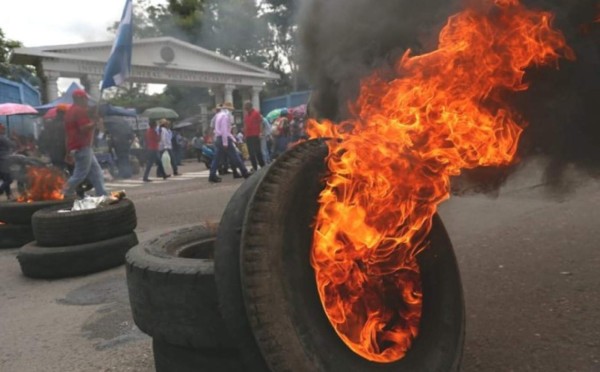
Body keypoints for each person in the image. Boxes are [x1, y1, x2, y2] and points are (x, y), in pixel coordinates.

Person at [62, 89, 107, 197]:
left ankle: (102, 195)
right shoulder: (79, 110)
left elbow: (68, 133)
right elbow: (83, 128)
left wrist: (68, 151)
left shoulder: (69, 111)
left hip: (79, 146)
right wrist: (94, 123)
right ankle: (62, 192)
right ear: (80, 98)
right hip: (82, 146)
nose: (86, 102)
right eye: (85, 99)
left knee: (97, 173)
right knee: (79, 175)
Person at [209, 102, 249, 183]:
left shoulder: (218, 115)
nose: (231, 112)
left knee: (216, 159)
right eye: (231, 110)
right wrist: (225, 143)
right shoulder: (225, 116)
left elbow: (225, 131)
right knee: (236, 157)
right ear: (228, 109)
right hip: (224, 139)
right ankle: (245, 172)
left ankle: (212, 175)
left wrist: (233, 139)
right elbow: (224, 131)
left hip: (218, 138)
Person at [243, 101, 265, 171]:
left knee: (258, 152)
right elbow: (246, 125)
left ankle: (262, 166)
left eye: (246, 106)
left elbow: (260, 123)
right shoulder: (246, 116)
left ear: (249, 106)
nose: (245, 108)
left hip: (255, 135)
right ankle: (254, 167)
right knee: (251, 153)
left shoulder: (256, 113)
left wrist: (261, 132)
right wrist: (245, 134)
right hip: (248, 136)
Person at [0, 123, 16, 200]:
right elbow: (12, 145)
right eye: (3, 129)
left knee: (5, 179)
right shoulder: (2, 138)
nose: (4, 130)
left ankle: (9, 195)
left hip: (2, 160)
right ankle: (1, 190)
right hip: (4, 160)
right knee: (9, 179)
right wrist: (14, 138)